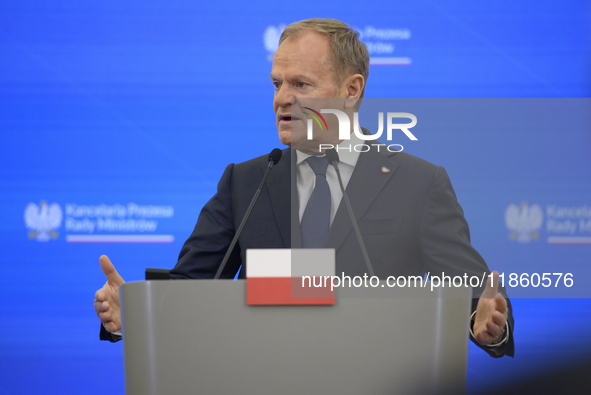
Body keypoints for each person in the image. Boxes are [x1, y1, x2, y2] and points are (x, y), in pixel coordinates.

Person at [94, 18, 513, 358]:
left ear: (352, 90)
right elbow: (190, 291)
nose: (282, 98)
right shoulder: (246, 182)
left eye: (300, 84)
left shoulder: (418, 182)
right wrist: (133, 313)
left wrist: (486, 322)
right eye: (277, 83)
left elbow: (476, 292)